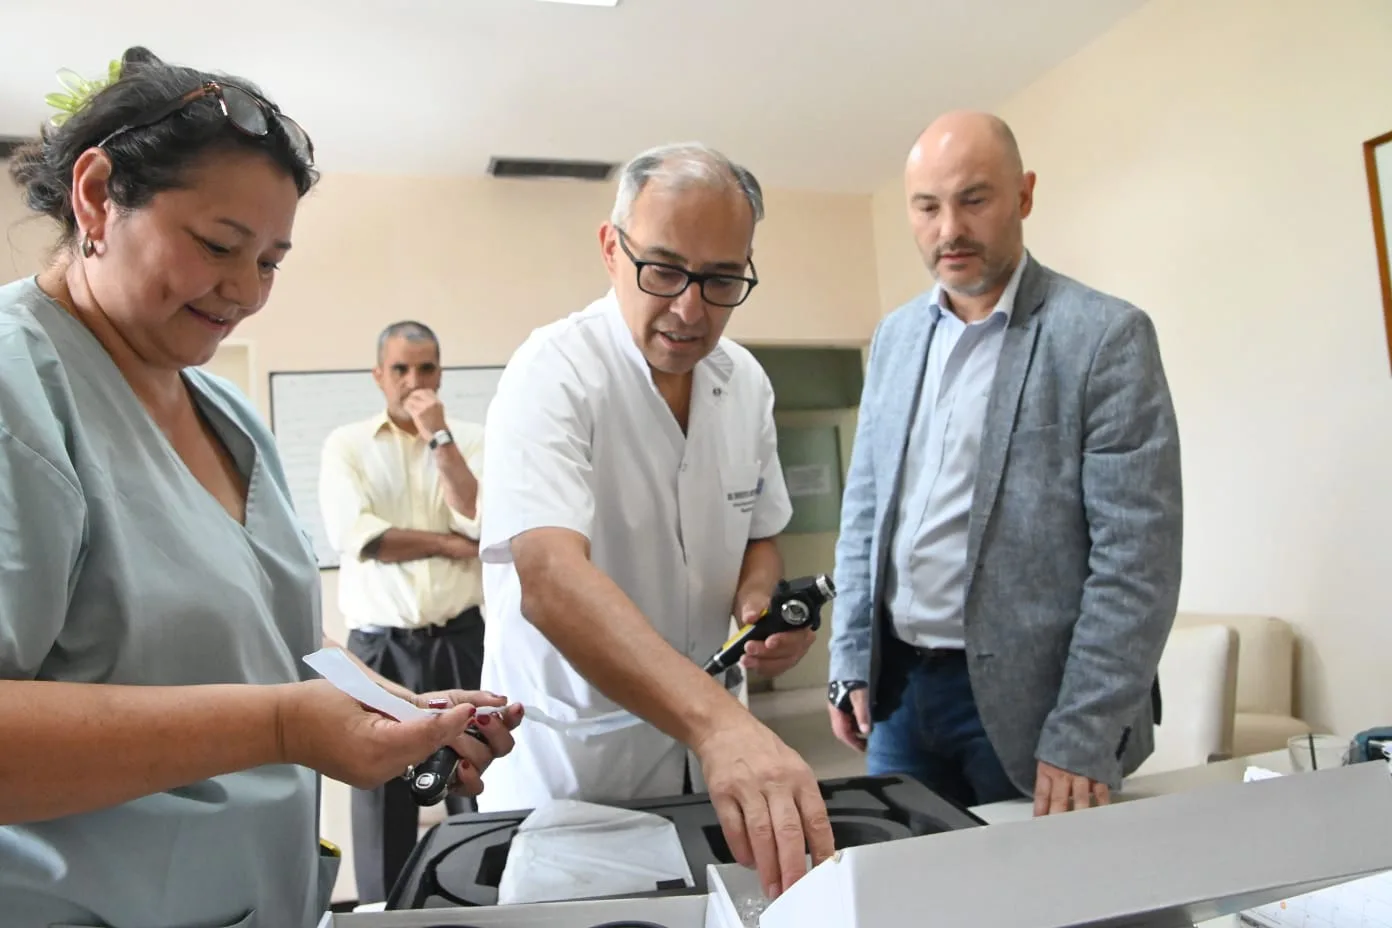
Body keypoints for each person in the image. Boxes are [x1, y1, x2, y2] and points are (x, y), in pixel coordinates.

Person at [0, 47, 520, 928]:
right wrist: (284, 728)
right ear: (96, 196)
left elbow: (265, 627)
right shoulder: (20, 393)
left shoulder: (224, 412)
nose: (243, 291)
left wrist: (389, 706)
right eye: (217, 246)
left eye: (271, 262)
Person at [475, 142, 836, 900]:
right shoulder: (553, 375)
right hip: (575, 779)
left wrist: (758, 605)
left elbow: (758, 536)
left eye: (722, 279)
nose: (690, 308)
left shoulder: (745, 385)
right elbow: (549, 579)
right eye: (664, 270)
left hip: (709, 772)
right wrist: (722, 726)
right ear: (612, 249)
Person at [827, 110, 1182, 816]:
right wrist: (849, 658)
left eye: (974, 199)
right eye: (927, 206)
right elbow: (865, 509)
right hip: (899, 694)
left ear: (1023, 195)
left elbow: (1136, 560)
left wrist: (1085, 727)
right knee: (915, 897)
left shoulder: (1104, 336)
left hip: (1039, 706)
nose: (948, 228)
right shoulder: (896, 338)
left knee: (1057, 908)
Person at [318, 320, 488, 903]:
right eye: (400, 369)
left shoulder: (471, 437)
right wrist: (449, 543)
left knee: (476, 778)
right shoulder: (346, 444)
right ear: (378, 376)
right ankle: (382, 912)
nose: (414, 381)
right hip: (378, 647)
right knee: (378, 785)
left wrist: (438, 436)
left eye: (426, 368)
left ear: (441, 374)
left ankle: (488, 907)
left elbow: (483, 521)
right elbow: (363, 539)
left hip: (462, 639)